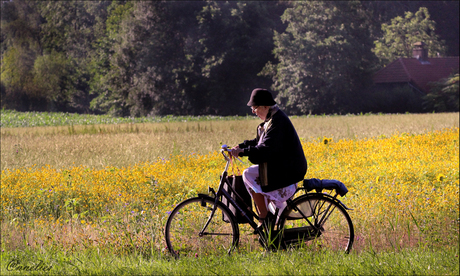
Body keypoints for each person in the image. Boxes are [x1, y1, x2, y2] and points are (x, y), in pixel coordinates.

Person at [231, 88, 308, 229]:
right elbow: (258, 141)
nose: (253, 111)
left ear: (265, 106)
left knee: (249, 175)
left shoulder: (278, 122)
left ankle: (264, 218)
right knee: (249, 175)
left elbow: (265, 149)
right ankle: (266, 218)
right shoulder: (271, 119)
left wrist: (242, 152)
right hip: (281, 168)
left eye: (255, 107)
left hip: (288, 172)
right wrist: (240, 147)